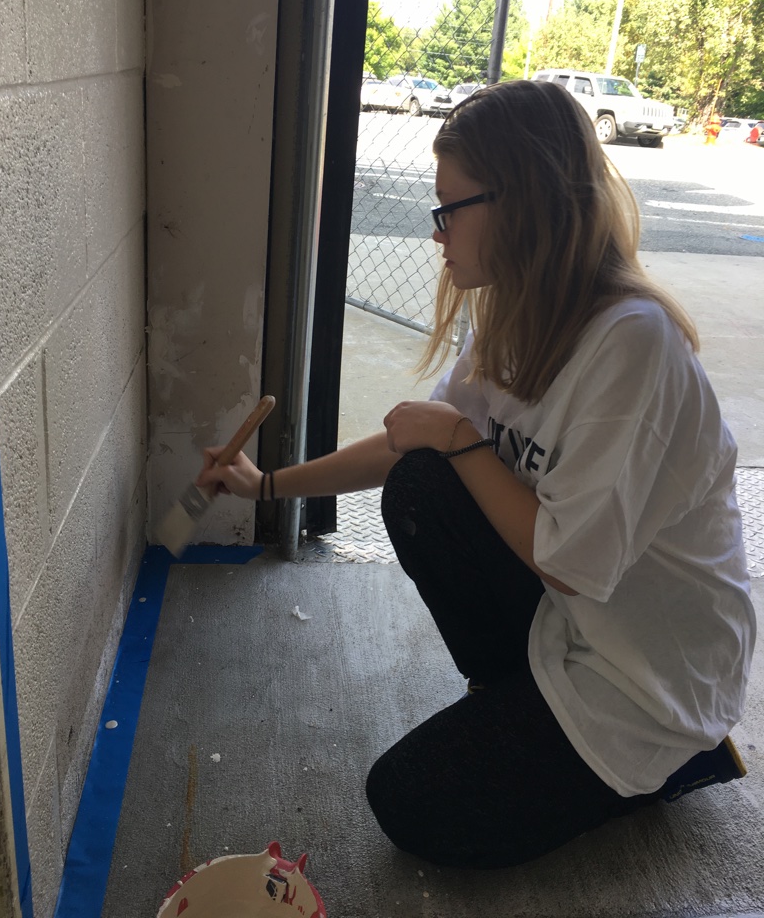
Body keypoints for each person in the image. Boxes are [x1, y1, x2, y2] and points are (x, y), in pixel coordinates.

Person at [196, 80, 755, 870]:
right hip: (578, 621)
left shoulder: (632, 345)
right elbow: (407, 445)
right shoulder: (518, 316)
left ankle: (678, 758)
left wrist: (460, 439)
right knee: (421, 486)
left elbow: (572, 562)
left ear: (521, 206)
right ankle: (516, 693)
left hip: (651, 674)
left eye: (449, 209)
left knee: (409, 803)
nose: (437, 233)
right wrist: (265, 485)